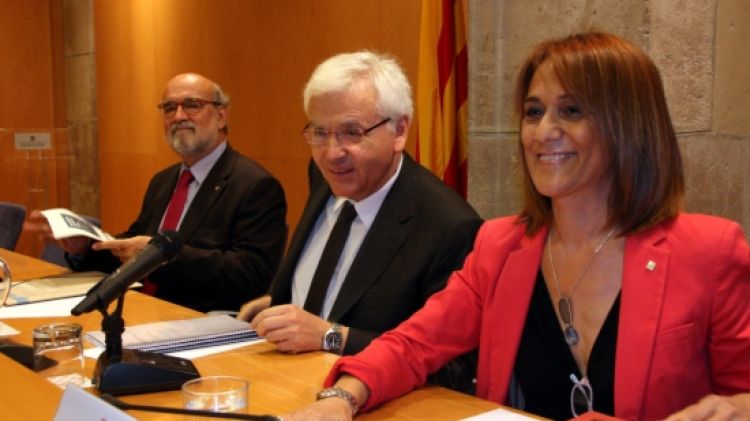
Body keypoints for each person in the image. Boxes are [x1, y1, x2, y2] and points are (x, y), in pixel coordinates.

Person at [281, 33, 750, 421]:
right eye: (533, 111)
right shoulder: (501, 245)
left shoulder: (710, 250)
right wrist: (342, 398)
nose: (543, 131)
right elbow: (412, 344)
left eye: (571, 110)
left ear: (630, 125)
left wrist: (731, 409)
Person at [237, 51, 482, 390]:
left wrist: (330, 337)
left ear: (399, 130)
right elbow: (337, 283)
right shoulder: (327, 175)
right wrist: (284, 297)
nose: (332, 153)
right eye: (319, 133)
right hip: (280, 383)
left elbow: (454, 371)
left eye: (352, 132)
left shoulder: (449, 226)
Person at [27, 73, 288, 312]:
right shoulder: (163, 181)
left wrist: (161, 256)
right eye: (169, 108)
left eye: (192, 105)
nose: (178, 116)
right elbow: (133, 248)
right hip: (141, 309)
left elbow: (252, 273)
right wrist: (85, 247)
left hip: (198, 319)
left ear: (221, 116)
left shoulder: (255, 185)